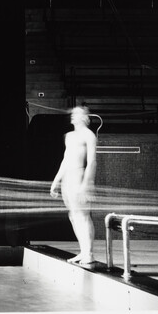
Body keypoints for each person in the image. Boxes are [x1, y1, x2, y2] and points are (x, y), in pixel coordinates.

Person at [50, 105, 97, 265]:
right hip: (67, 179)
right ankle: (83, 251)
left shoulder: (88, 135)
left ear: (85, 117)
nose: (73, 116)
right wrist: (56, 180)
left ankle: (89, 253)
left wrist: (87, 183)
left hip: (79, 176)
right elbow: (65, 159)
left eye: (77, 113)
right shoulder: (69, 136)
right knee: (73, 216)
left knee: (83, 216)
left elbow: (92, 162)